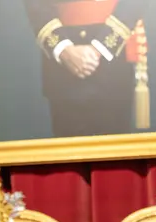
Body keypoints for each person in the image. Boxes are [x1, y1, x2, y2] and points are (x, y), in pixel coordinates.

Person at [23, 0, 147, 137]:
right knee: (70, 152)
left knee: (114, 151)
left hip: (114, 65)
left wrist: (100, 48)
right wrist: (63, 49)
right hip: (63, 69)